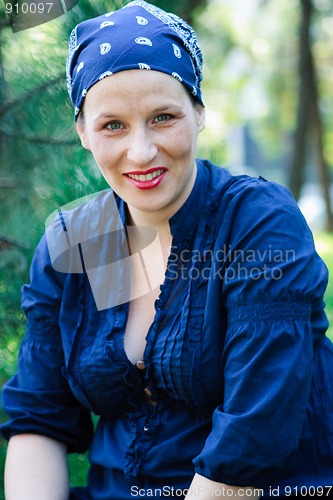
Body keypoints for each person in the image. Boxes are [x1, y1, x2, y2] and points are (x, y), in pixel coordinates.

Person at [1, 1, 333, 499]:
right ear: (83, 133)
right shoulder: (79, 240)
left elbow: (250, 441)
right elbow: (39, 421)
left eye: (162, 117)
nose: (141, 151)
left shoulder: (254, 224)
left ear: (199, 113)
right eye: (112, 125)